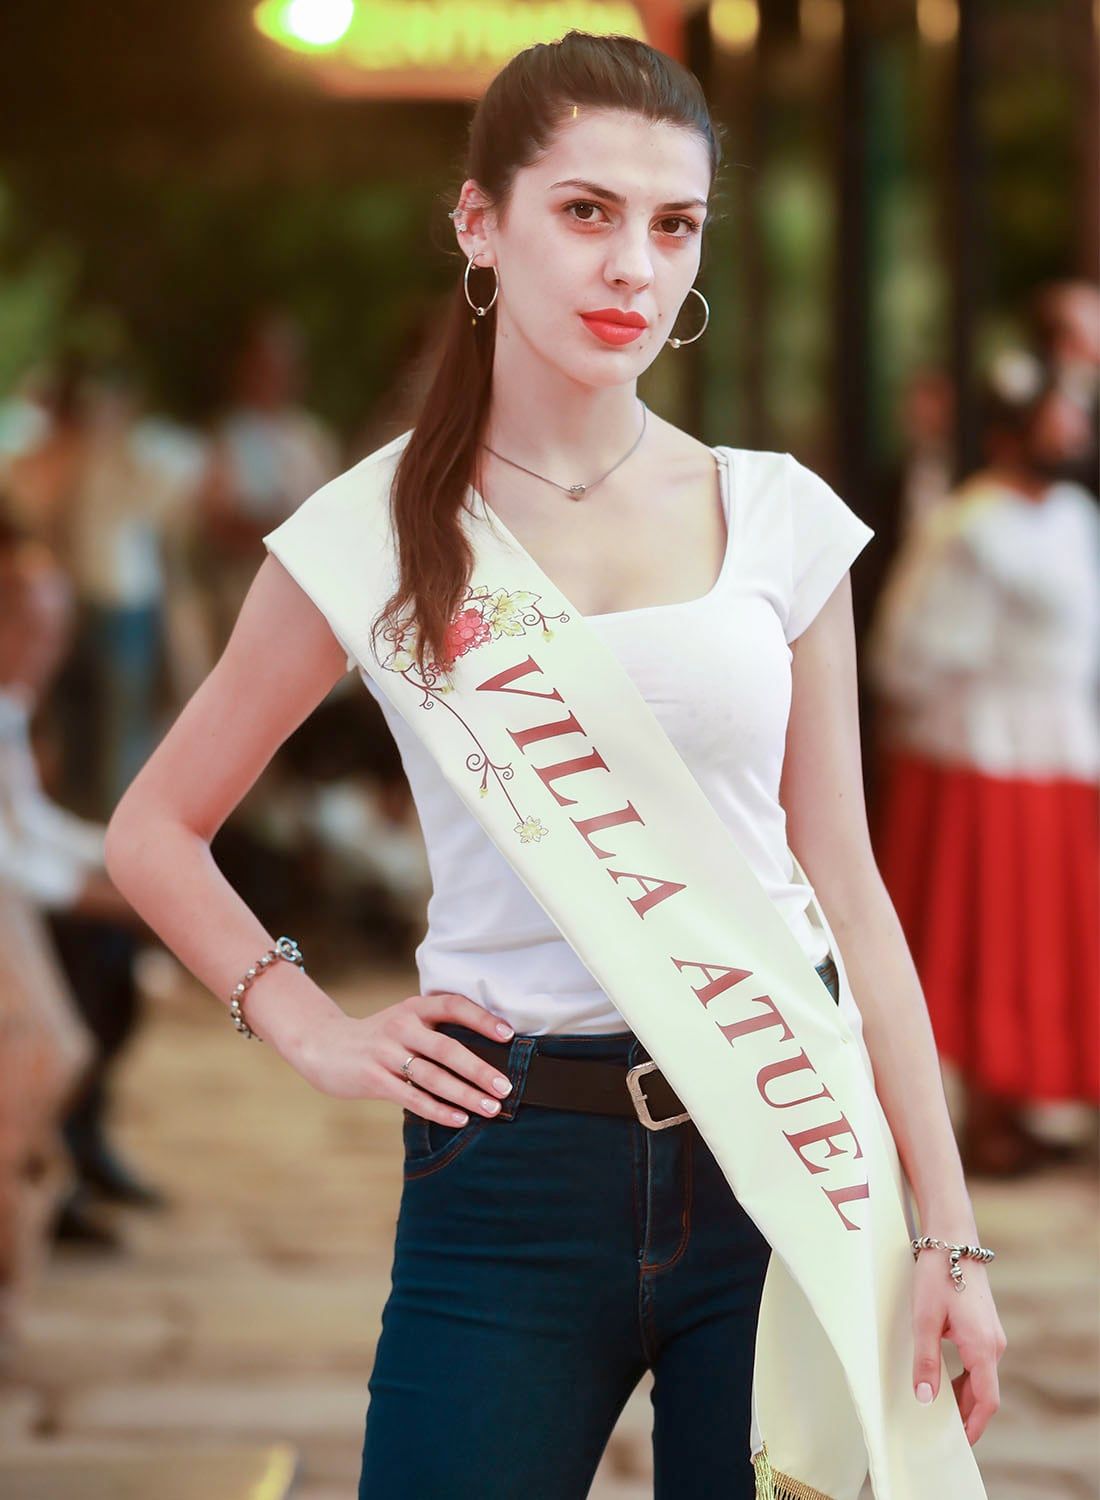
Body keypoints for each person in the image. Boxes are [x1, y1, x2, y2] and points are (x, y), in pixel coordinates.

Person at [103, 32, 1006, 1499]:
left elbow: (843, 876)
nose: (632, 269)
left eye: (673, 225)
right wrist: (312, 1028)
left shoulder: (776, 517)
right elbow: (154, 828)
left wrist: (949, 1234)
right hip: (508, 1165)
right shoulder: (377, 531)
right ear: (480, 223)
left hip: (779, 1154)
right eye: (586, 212)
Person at [867, 346, 1100, 1178]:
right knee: (987, 930)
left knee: (1051, 932)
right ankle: (986, 1104)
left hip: (1061, 746)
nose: (1070, 425)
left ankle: (1039, 1097)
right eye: (1055, 410)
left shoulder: (1074, 515)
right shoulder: (970, 524)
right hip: (983, 750)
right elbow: (910, 650)